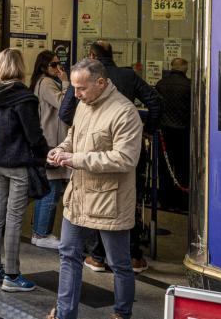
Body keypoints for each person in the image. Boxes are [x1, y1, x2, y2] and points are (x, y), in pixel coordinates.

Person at [46, 59, 142, 319]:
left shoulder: (124, 112)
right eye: (74, 88)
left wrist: (75, 159)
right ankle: (65, 314)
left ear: (100, 83)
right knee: (68, 255)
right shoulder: (83, 105)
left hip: (110, 201)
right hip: (78, 195)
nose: (75, 94)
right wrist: (62, 150)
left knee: (119, 264)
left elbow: (125, 158)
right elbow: (72, 137)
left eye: (81, 88)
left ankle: (121, 314)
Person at [59, 40, 160, 273]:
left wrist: (77, 147)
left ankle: (96, 256)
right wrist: (148, 131)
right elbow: (154, 101)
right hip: (119, 155)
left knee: (96, 205)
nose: (79, 94)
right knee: (124, 203)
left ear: (92, 56)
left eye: (81, 90)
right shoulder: (128, 76)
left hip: (99, 157)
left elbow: (65, 113)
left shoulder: (97, 92)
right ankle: (133, 255)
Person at [0, 49, 49, 293]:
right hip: (19, 163)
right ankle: (11, 274)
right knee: (13, 217)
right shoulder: (23, 96)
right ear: (20, 66)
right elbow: (33, 134)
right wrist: (46, 152)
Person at [30, 50, 70, 250]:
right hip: (51, 142)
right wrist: (66, 82)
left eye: (59, 64)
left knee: (48, 188)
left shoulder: (42, 82)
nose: (58, 68)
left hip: (49, 141)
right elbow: (64, 105)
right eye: (54, 65)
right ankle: (41, 233)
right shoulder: (46, 83)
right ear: (44, 67)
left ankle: (39, 231)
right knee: (51, 189)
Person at [155, 57, 192, 211]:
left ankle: (165, 199)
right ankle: (182, 201)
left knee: (165, 168)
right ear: (185, 69)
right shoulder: (189, 86)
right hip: (183, 132)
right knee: (182, 167)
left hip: (164, 132)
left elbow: (155, 106)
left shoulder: (161, 84)